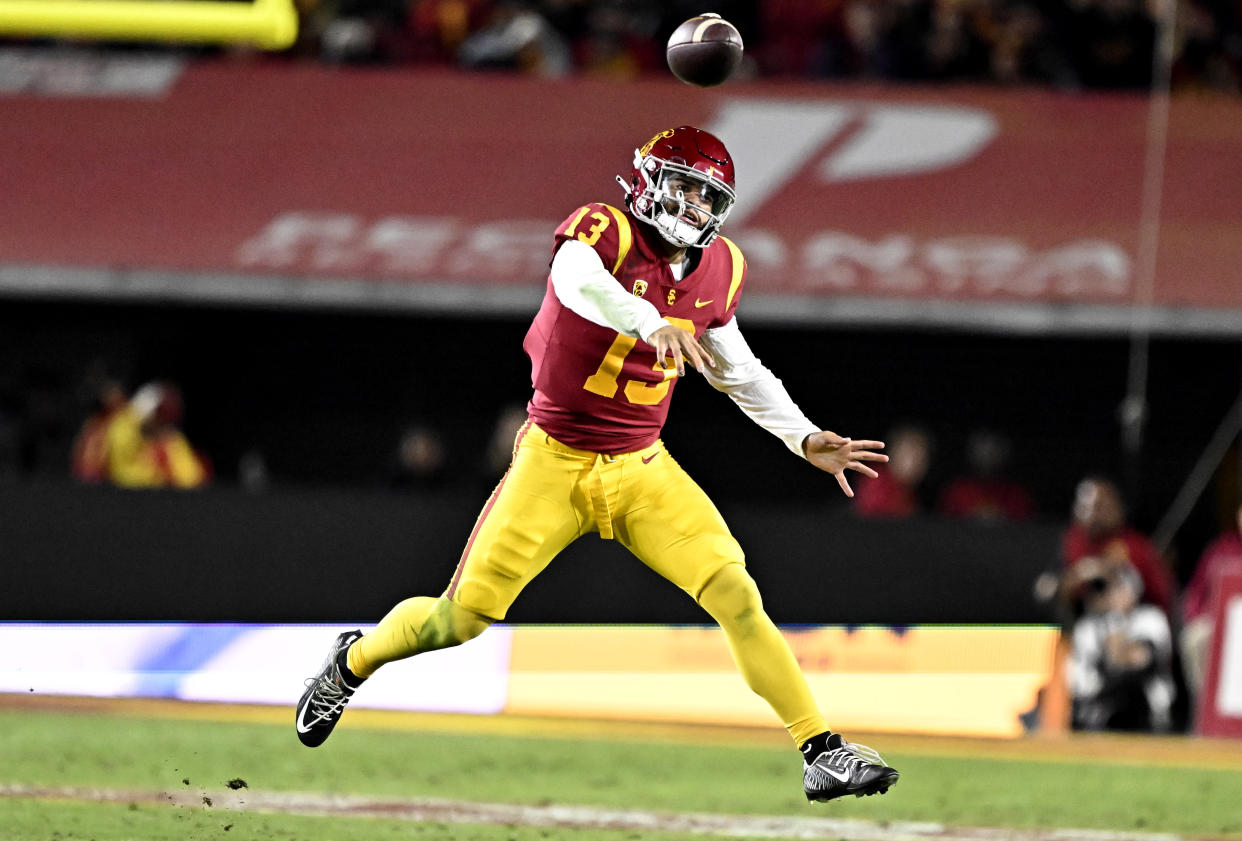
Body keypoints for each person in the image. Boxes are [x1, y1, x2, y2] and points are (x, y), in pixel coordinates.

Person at [296, 125, 899, 803]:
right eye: (684, 187)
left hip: (643, 467)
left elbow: (741, 370)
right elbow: (576, 281)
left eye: (708, 197)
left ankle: (821, 750)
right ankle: (351, 661)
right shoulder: (605, 231)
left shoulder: (721, 266)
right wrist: (649, 320)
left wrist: (804, 436)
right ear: (646, 181)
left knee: (734, 588)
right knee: (458, 619)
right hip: (554, 460)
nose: (694, 207)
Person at [1068, 558, 1176, 732]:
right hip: (1098, 704)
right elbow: (1081, 676)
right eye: (1108, 590)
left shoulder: (1151, 618)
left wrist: (1116, 643)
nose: (1113, 595)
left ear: (1134, 590)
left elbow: (1141, 660)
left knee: (1130, 687)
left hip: (1144, 706)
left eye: (1119, 587)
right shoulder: (1089, 626)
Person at [1058, 476, 1175, 616]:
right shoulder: (1072, 541)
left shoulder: (1136, 546)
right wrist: (1079, 576)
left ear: (1116, 507)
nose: (1090, 514)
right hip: (1088, 622)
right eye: (1084, 507)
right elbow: (1057, 592)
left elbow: (1162, 597)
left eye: (1098, 506)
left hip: (1134, 622)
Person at [1179, 502, 1242, 701]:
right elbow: (1196, 593)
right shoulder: (1221, 548)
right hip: (1219, 624)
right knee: (1194, 637)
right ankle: (1205, 710)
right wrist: (1199, 616)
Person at [936, 428, 1034, 522]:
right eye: (982, 450)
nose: (987, 455)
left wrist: (1000, 517)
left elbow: (1026, 526)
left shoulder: (1015, 494)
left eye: (993, 450)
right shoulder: (956, 490)